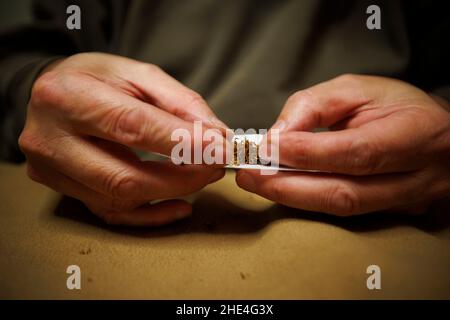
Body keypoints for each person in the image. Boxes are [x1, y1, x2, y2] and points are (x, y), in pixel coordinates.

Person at [0, 0, 449, 226]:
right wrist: (36, 83)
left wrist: (443, 118)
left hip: (391, 217)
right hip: (112, 213)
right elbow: (16, 55)